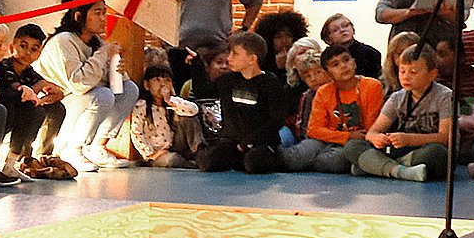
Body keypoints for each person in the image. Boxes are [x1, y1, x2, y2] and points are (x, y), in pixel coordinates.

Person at [36, 0, 136, 173]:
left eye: (104, 13)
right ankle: (71, 150)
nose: (103, 18)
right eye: (97, 13)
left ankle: (97, 146)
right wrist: (103, 55)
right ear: (79, 16)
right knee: (102, 95)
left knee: (129, 89)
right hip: (56, 106)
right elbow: (79, 84)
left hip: (81, 101)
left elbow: (114, 86)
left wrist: (117, 70)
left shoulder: (97, 43)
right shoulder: (63, 40)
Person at [354, 35, 455, 182]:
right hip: (400, 150)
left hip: (423, 150)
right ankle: (400, 170)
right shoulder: (397, 97)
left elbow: (445, 137)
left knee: (437, 153)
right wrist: (378, 138)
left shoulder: (445, 96)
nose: (406, 77)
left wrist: (409, 139)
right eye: (402, 71)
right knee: (353, 145)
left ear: (432, 74)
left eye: (413, 72)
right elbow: (372, 132)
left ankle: (375, 165)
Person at [194, 31, 298, 174]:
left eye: (235, 54)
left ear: (252, 59)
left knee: (255, 163)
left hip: (260, 143)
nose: (229, 58)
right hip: (231, 143)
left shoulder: (270, 83)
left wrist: (249, 142)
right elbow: (204, 91)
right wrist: (196, 65)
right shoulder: (227, 80)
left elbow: (277, 120)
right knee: (210, 162)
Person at [281, 45, 383, 174]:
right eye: (335, 64)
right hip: (325, 140)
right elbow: (313, 130)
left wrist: (348, 138)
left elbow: (368, 130)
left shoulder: (372, 86)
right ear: (328, 73)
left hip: (355, 143)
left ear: (354, 63)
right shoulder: (323, 91)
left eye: (346, 60)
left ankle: (306, 164)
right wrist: (347, 135)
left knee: (331, 162)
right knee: (296, 156)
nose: (343, 66)